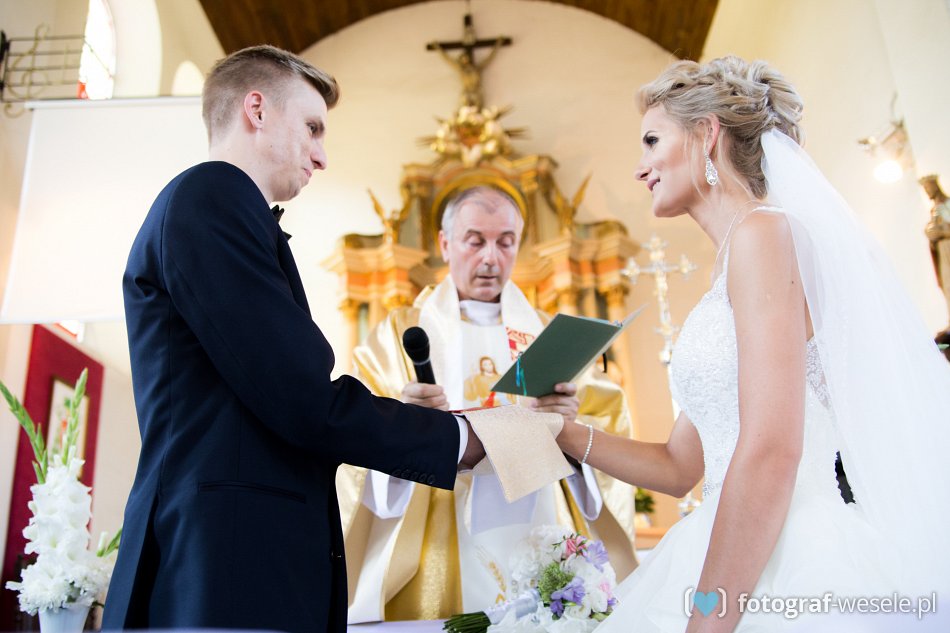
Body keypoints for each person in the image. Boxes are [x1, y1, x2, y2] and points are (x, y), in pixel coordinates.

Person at [553, 57, 950, 632]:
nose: (640, 168)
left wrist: (709, 619)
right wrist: (563, 432)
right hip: (729, 538)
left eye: (652, 141)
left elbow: (771, 449)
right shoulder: (737, 257)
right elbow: (680, 466)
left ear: (707, 134)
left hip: (793, 558)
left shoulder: (764, 234)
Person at [102, 45, 483, 633]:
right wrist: (454, 438)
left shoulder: (228, 210)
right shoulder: (211, 197)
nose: (322, 155)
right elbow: (298, 396)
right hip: (226, 565)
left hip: (241, 555)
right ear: (256, 109)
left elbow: (265, 391)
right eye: (312, 128)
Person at [339, 186, 638, 623]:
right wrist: (402, 424)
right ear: (445, 244)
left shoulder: (551, 336)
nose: (491, 258)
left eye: (506, 242)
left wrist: (570, 426)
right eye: (475, 241)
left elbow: (606, 424)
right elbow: (354, 435)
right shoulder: (397, 334)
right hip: (437, 536)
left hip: (538, 521)